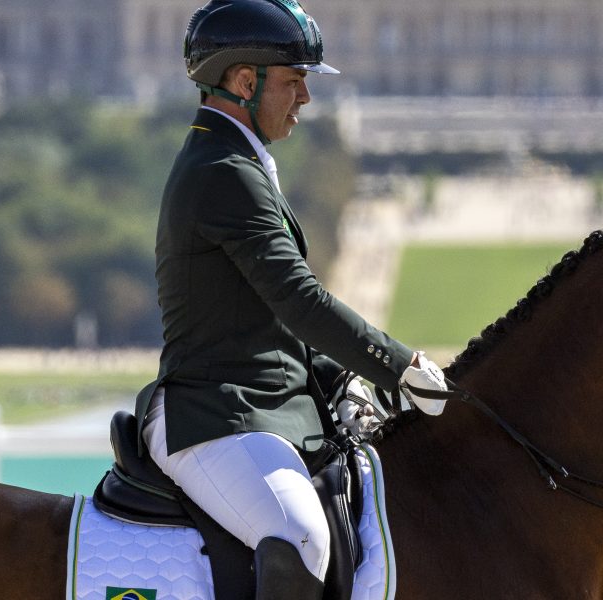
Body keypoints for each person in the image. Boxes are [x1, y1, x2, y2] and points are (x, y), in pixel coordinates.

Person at [132, 1, 449, 598]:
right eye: (294, 80)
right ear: (244, 81)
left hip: (262, 406)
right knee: (301, 533)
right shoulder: (222, 169)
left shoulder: (240, 159)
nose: (305, 96)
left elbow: (266, 320)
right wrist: (398, 367)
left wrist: (336, 378)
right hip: (215, 414)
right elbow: (297, 300)